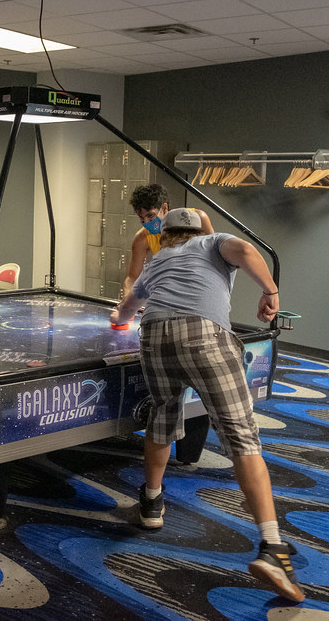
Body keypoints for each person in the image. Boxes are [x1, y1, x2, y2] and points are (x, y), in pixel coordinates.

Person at [111, 208, 304, 603]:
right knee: (240, 435)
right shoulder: (212, 242)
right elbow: (246, 249)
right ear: (198, 230)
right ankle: (272, 549)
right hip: (204, 336)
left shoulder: (158, 259)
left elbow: (129, 307)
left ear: (165, 235)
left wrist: (117, 321)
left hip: (155, 338)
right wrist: (271, 292)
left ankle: (151, 504)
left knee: (163, 416)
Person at [123, 183, 214, 466]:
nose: (148, 223)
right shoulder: (142, 239)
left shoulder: (196, 219)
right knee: (167, 402)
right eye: (142, 219)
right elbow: (132, 277)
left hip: (197, 309)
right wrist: (128, 299)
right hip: (160, 310)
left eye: (151, 216)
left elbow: (215, 258)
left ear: (165, 208)